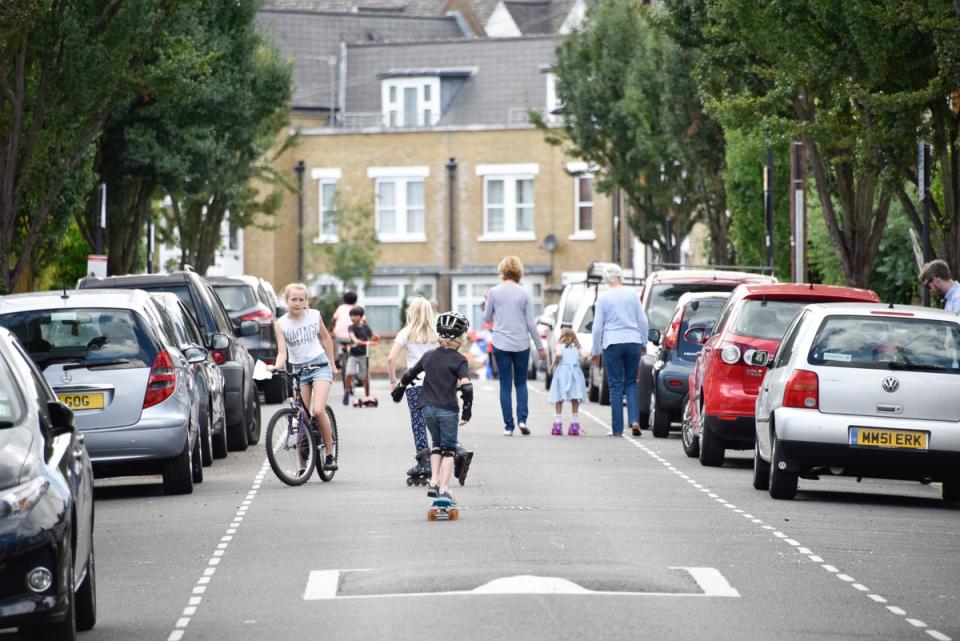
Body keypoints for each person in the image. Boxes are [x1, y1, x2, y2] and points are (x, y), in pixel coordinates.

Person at [391, 311, 473, 506]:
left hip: (427, 408)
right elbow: (467, 386)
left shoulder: (428, 356)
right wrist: (467, 410)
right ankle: (444, 490)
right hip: (448, 410)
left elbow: (410, 374)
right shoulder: (459, 360)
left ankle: (434, 482)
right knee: (449, 450)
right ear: (461, 338)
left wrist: (399, 390)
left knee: (436, 445)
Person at [267, 283, 339, 471]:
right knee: (301, 417)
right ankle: (302, 465)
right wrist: (276, 366)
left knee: (318, 410)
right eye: (294, 299)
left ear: (306, 301)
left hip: (320, 366)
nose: (297, 303)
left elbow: (325, 338)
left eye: (301, 299)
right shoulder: (281, 324)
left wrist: (332, 363)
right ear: (287, 300)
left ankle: (330, 454)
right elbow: (282, 352)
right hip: (299, 371)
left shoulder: (314, 315)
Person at [482, 256, 546, 436]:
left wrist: (486, 300)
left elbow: (487, 319)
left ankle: (508, 426)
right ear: (519, 271)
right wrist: (540, 347)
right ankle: (523, 420)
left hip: (501, 343)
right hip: (521, 344)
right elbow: (531, 323)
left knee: (505, 385)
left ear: (502, 271)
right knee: (521, 383)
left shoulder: (494, 292)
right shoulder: (524, 293)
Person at [590, 264, 648, 437]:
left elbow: (597, 327)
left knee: (615, 386)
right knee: (631, 382)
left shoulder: (603, 298)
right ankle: (634, 420)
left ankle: (617, 429)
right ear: (620, 277)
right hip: (633, 341)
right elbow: (643, 321)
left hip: (613, 343)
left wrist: (596, 350)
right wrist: (643, 341)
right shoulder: (632, 295)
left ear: (607, 280)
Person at [387, 297, 439, 484]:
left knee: (418, 421)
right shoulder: (437, 332)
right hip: (437, 384)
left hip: (415, 384)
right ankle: (451, 452)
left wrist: (394, 382)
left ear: (411, 312)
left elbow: (391, 359)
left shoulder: (406, 332)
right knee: (437, 420)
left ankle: (424, 461)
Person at [548, 328, 587, 436]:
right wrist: (579, 360)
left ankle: (558, 424)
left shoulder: (559, 346)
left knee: (559, 398)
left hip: (562, 373)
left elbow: (559, 354)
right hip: (575, 373)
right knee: (575, 398)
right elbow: (585, 355)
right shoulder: (577, 347)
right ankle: (574, 425)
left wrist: (553, 363)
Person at [346, 306, 378, 406]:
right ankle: (346, 392)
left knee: (364, 376)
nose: (352, 318)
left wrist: (376, 337)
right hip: (353, 354)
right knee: (349, 372)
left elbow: (372, 338)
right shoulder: (351, 327)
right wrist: (356, 341)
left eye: (354, 316)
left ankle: (367, 396)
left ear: (360, 316)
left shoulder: (366, 327)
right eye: (351, 316)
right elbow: (352, 335)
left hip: (364, 354)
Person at [330, 291, 358, 405]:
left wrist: (330, 329)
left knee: (340, 344)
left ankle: (339, 356)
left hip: (340, 334)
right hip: (353, 335)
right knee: (355, 351)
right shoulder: (357, 309)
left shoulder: (340, 307)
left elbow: (333, 320)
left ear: (344, 300)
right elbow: (362, 322)